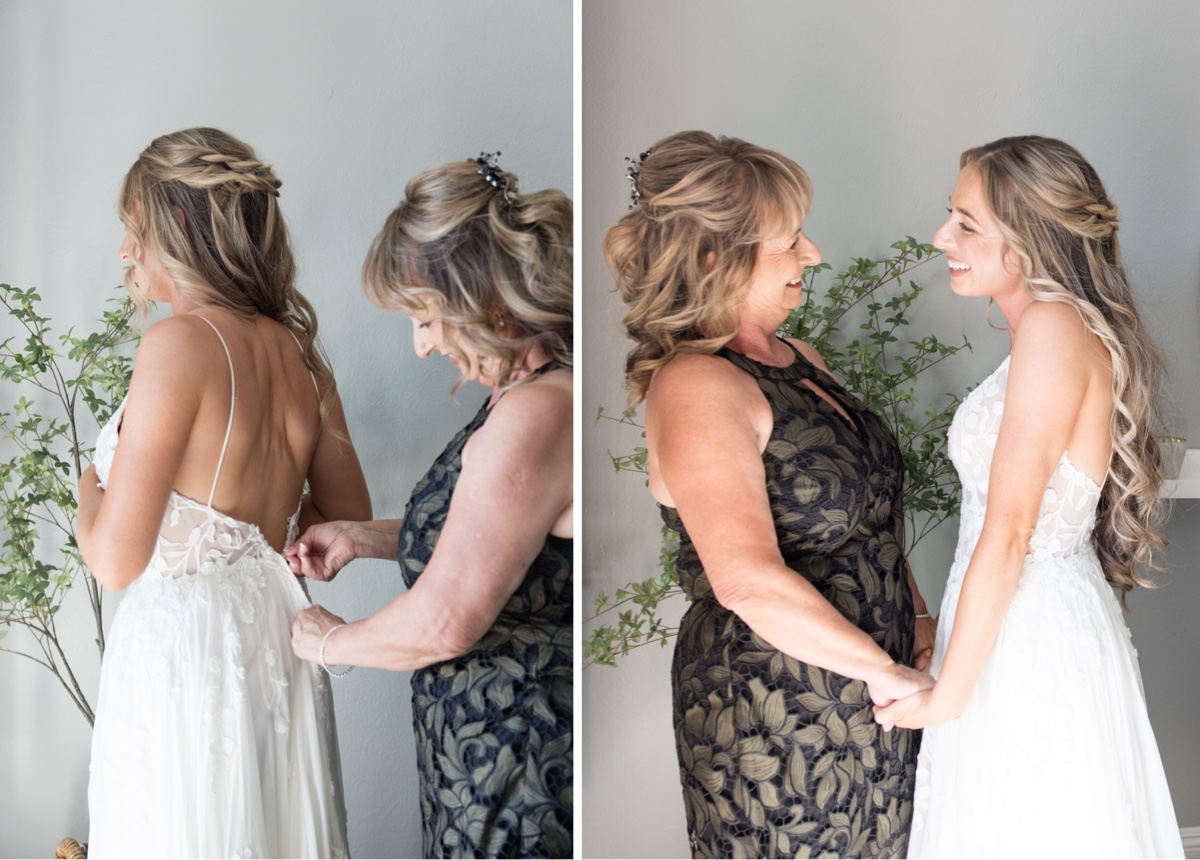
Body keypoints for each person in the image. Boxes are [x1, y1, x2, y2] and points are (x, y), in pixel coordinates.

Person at [605, 130, 936, 859]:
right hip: (772, 706)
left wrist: (915, 621)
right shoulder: (697, 384)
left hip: (871, 685)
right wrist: (888, 672)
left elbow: (871, 517)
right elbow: (747, 581)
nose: (812, 255)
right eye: (790, 241)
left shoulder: (804, 362)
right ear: (715, 257)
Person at [874, 135, 1184, 858]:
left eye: (967, 223)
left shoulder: (1051, 328)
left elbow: (1010, 531)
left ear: (1032, 239)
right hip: (1014, 616)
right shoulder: (1051, 332)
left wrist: (948, 696)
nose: (941, 236)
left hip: (1028, 629)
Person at [78, 127, 371, 858]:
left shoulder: (175, 346)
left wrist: (86, 490)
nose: (124, 254)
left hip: (184, 652)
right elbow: (347, 520)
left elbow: (115, 562)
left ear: (175, 226)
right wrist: (254, 526)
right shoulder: (301, 354)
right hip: (273, 638)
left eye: (132, 229)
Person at [286, 154, 573, 859]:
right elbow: (496, 538)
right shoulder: (527, 393)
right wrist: (364, 536)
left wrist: (327, 642)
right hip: (486, 754)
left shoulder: (533, 415)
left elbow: (446, 620)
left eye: (425, 318)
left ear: (480, 298)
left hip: (517, 770)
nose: (421, 346)